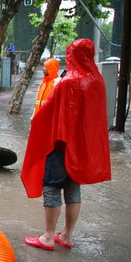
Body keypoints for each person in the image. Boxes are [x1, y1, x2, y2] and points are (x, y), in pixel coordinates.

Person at [22, 39, 111, 250]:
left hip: (60, 145)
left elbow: (48, 114)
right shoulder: (97, 82)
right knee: (73, 188)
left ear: (73, 56)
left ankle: (48, 237)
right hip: (81, 148)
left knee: (52, 187)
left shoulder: (67, 82)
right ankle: (68, 236)